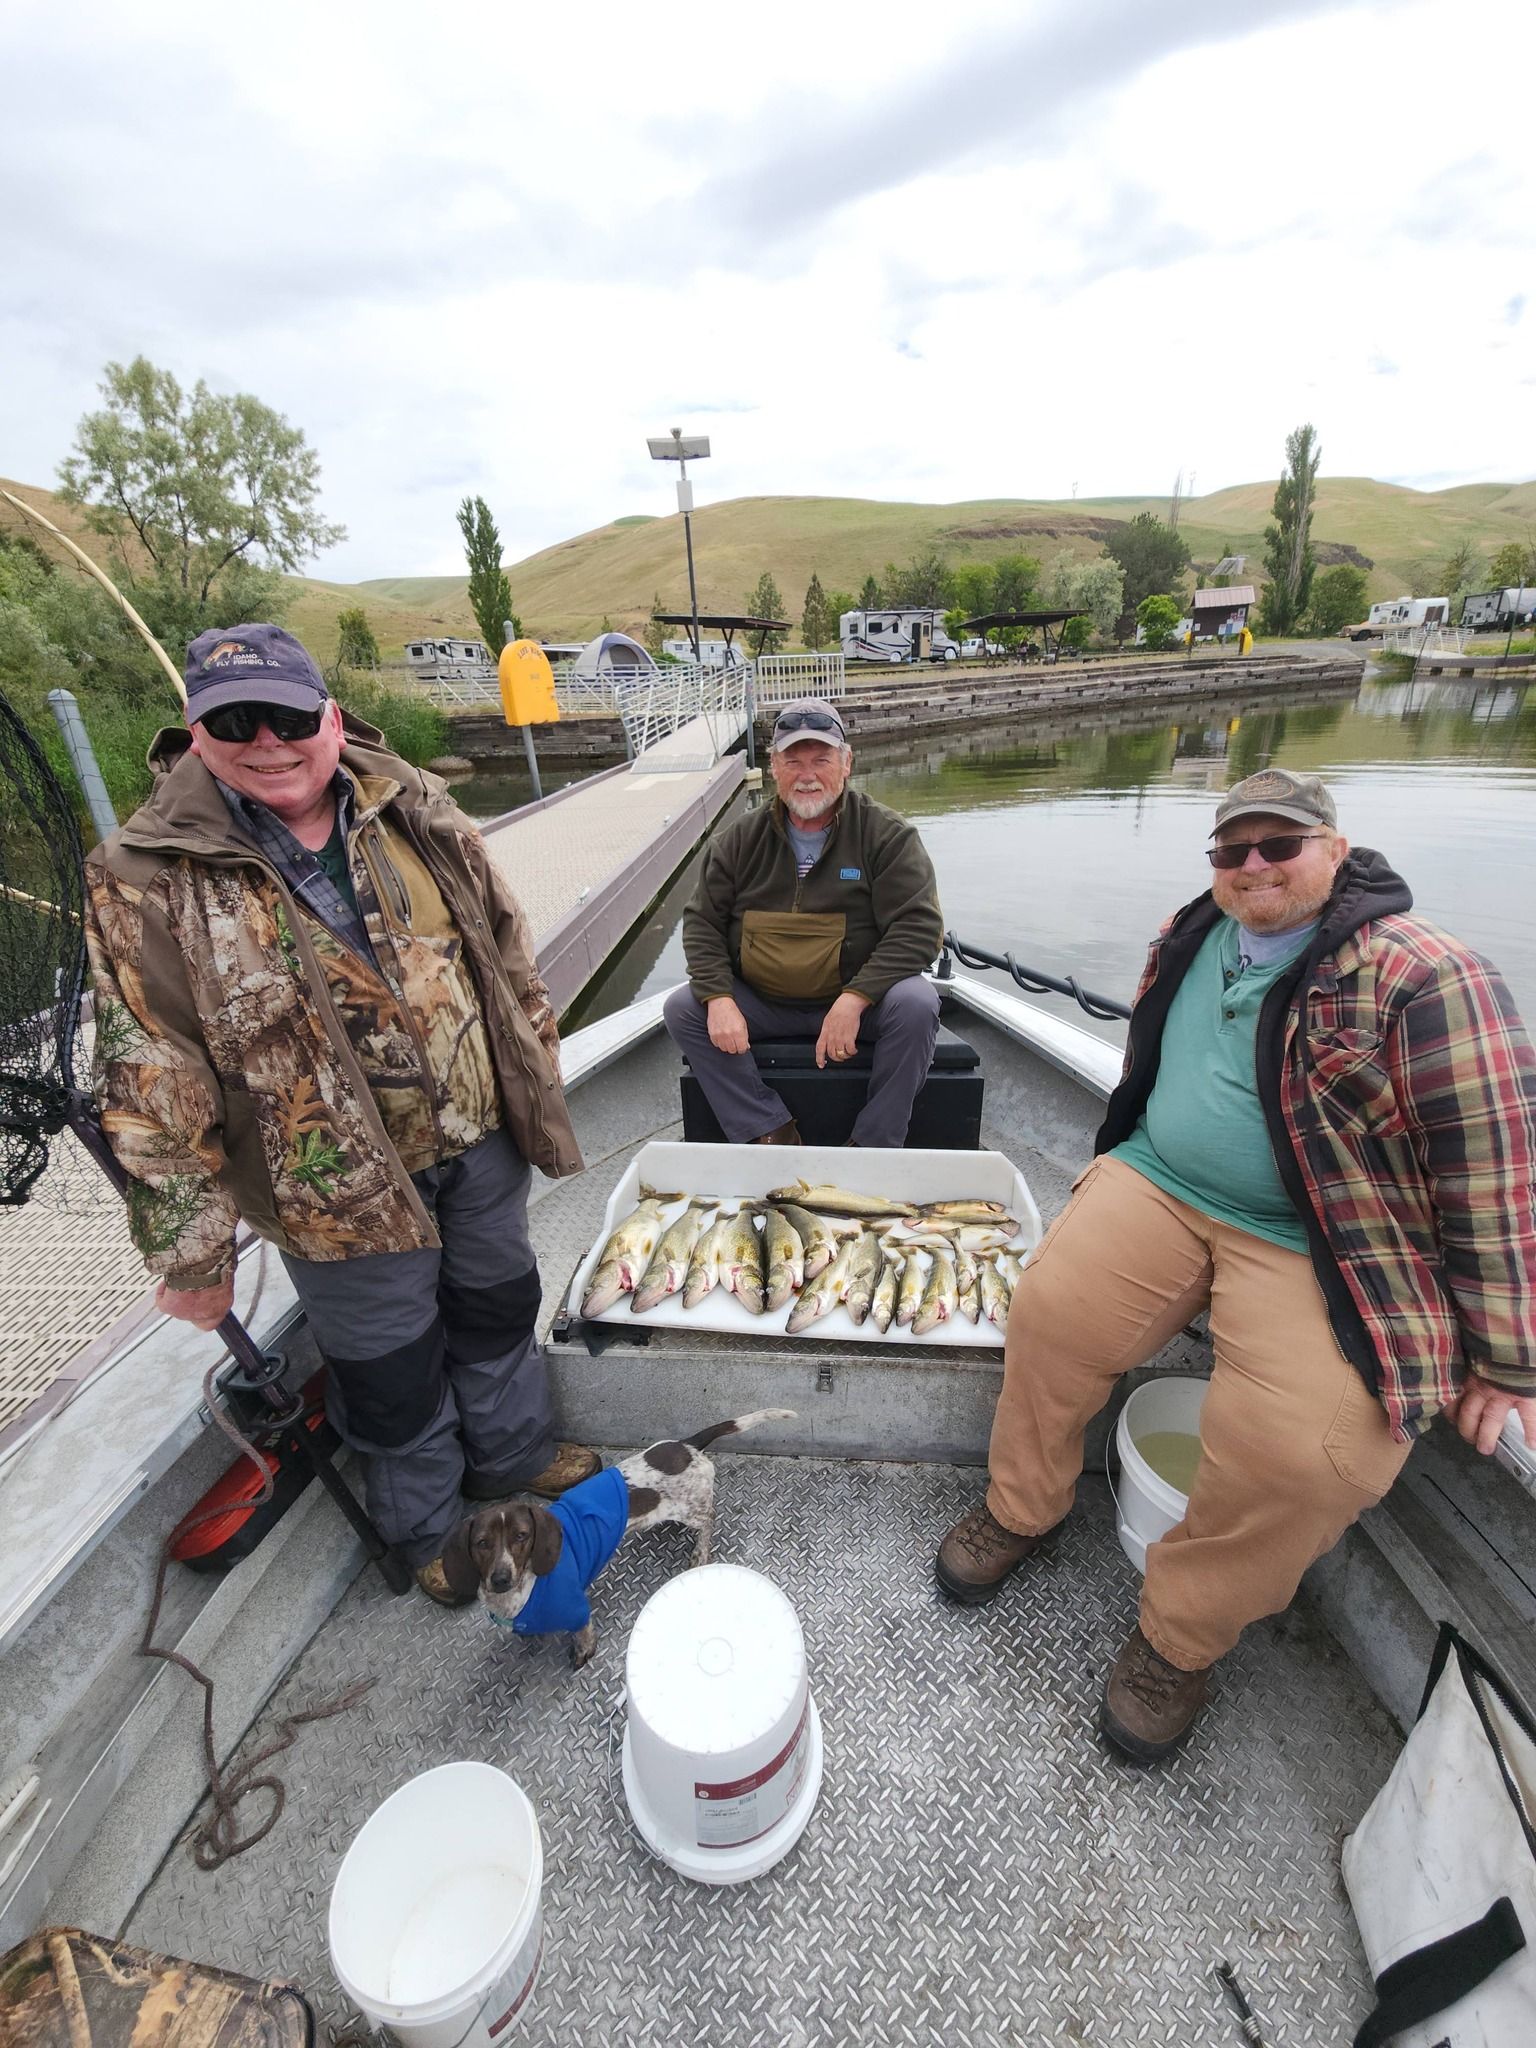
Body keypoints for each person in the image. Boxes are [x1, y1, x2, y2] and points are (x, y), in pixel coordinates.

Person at [935, 767, 1536, 1761]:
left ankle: (1178, 1637)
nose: (1253, 864)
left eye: (1279, 843)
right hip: (1163, 1180)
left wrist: (1510, 1355)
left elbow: (1496, 1165)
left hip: (1326, 1242)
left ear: (1334, 851)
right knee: (1047, 1308)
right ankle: (1022, 1507)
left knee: (1306, 1450)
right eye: (1231, 848)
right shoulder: (1194, 931)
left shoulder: (1424, 973)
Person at [83, 624, 598, 1604]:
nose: (267, 739)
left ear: (327, 714)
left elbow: (500, 935)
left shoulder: (412, 797)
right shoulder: (141, 874)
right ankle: (432, 1530)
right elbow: (151, 1073)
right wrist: (192, 1259)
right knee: (393, 1373)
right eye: (235, 720)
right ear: (195, 733)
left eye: (286, 713)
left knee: (497, 1311)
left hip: (478, 1138)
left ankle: (516, 1459)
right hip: (330, 1191)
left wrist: (533, 1050)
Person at [664, 696, 943, 1147]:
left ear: (846, 763)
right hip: (765, 1003)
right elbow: (702, 924)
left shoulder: (888, 836)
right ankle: (767, 1129)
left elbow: (919, 930)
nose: (807, 775)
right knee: (684, 1009)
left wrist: (854, 999)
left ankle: (874, 1145)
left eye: (821, 759)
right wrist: (718, 997)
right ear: (773, 767)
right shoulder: (737, 840)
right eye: (792, 760)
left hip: (857, 1002)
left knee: (917, 1003)